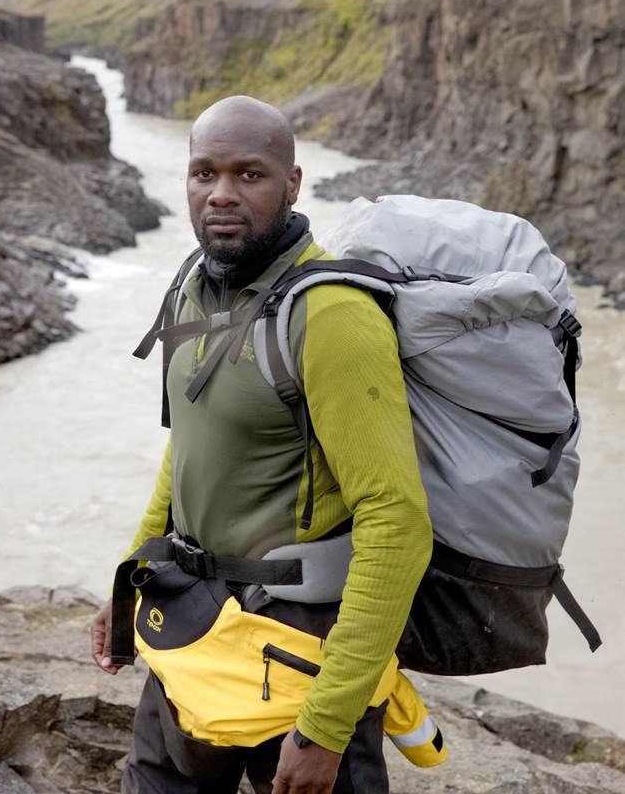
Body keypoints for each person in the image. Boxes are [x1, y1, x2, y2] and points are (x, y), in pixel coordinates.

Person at [91, 95, 433, 793]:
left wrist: (326, 728)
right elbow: (186, 451)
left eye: (249, 175)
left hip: (297, 659)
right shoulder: (193, 286)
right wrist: (127, 581)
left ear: (293, 184)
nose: (221, 193)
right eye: (203, 173)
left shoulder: (332, 316)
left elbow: (396, 524)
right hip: (192, 633)